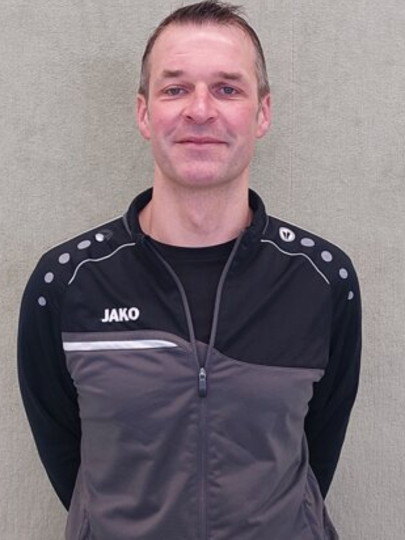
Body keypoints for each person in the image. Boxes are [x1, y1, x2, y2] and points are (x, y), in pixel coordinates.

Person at [18, 2, 361, 539]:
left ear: (262, 113)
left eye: (227, 89)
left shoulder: (320, 280)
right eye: (175, 89)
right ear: (143, 113)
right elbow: (70, 458)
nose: (200, 110)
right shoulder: (67, 283)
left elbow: (316, 453)